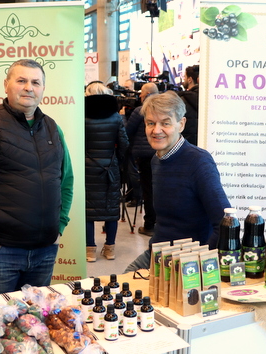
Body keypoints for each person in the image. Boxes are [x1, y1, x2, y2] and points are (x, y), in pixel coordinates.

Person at [0, 59, 74, 295]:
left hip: (45, 251)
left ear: (43, 89)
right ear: (6, 85)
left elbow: (66, 181)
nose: (29, 87)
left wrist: (59, 226)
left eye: (35, 82)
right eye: (21, 80)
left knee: (37, 316)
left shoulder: (53, 128)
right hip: (1, 254)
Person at [125, 91, 230, 272]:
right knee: (122, 284)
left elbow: (224, 223)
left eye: (165, 123)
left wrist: (200, 265)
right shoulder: (157, 159)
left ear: (181, 124)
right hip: (159, 254)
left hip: (187, 263)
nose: (156, 130)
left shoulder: (198, 162)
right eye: (151, 123)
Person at [84, 82, 129, 262]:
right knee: (111, 210)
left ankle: (90, 251)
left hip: (87, 169)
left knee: (88, 210)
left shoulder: (82, 115)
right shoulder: (115, 117)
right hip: (110, 169)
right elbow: (124, 143)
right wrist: (118, 160)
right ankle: (110, 249)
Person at [126, 82, 159, 236]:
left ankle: (149, 224)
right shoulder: (164, 109)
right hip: (162, 154)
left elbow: (128, 131)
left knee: (148, 191)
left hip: (145, 157)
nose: (139, 96)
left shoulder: (140, 110)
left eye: (141, 94)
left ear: (146, 95)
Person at [178, 65, 199, 146]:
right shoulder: (208, 100)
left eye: (185, 77)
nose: (184, 80)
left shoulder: (182, 100)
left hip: (186, 145)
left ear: (190, 79)